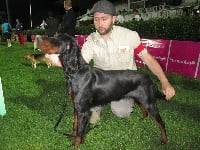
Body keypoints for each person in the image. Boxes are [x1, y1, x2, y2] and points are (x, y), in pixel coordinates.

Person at [81, 0, 175, 124]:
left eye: (104, 19)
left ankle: (124, 99)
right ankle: (95, 107)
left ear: (113, 19)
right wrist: (59, 59)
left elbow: (148, 59)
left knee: (121, 112)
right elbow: (81, 63)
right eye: (96, 19)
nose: (99, 24)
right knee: (88, 89)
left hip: (124, 83)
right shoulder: (91, 40)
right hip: (101, 82)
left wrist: (165, 82)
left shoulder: (129, 36)